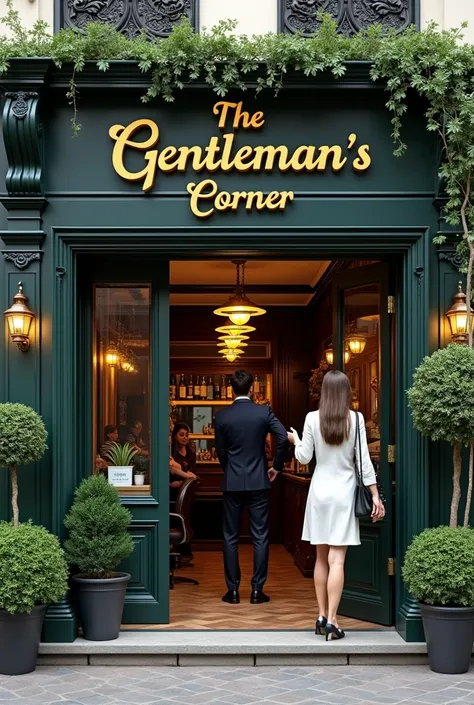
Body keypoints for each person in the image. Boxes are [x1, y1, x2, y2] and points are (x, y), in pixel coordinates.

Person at [287, 370, 384, 641]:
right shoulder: (356, 419)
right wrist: (375, 495)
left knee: (320, 558)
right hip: (343, 494)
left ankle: (320, 615)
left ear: (324, 392)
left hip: (318, 493)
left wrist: (296, 441)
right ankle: (332, 620)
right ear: (347, 392)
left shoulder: (311, 418)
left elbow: (304, 457)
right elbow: (363, 461)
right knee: (337, 560)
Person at [215, 370, 288, 605]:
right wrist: (276, 466)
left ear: (231, 389)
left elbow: (221, 451)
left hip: (233, 481)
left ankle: (233, 591)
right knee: (260, 536)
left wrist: (230, 470)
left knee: (230, 536)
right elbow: (283, 437)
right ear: (252, 386)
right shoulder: (263, 412)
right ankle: (257, 590)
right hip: (258, 480)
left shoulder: (223, 416)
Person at [170, 423, 197, 500]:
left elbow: (193, 473)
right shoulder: (170, 452)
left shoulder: (191, 453)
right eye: (181, 435)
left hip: (187, 489)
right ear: (175, 436)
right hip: (173, 491)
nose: (185, 437)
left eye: (187, 435)